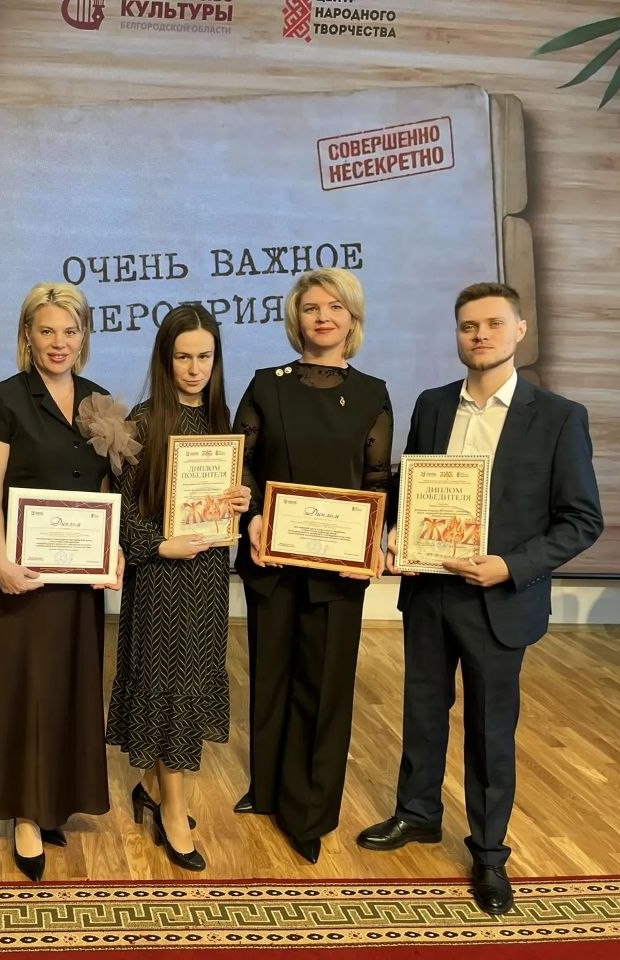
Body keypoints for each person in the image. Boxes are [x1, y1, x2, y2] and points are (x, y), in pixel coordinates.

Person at [356, 282, 603, 916]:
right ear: (458, 335)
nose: (480, 335)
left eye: (493, 324)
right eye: (469, 326)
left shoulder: (559, 417)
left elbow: (581, 520)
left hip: (500, 598)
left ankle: (490, 853)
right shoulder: (433, 404)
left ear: (520, 330)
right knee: (422, 710)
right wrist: (393, 533)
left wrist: (510, 567)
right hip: (430, 591)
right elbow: (413, 488)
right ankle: (417, 814)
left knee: (491, 729)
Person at [233, 267, 393, 864]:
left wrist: (374, 540)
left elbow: (376, 479)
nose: (323, 317)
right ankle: (268, 789)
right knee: (270, 675)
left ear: (352, 318)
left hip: (338, 567)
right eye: (310, 308)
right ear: (295, 319)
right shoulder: (265, 385)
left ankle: (309, 812)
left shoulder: (373, 394)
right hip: (271, 558)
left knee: (324, 689)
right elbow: (243, 463)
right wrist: (251, 517)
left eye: (335, 307)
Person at [0, 281, 124, 882]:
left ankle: (56, 801)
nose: (59, 342)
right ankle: (26, 815)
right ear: (27, 336)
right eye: (47, 331)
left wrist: (112, 550)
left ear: (84, 336)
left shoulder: (99, 401)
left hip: (79, 581)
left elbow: (105, 489)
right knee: (26, 690)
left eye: (70, 330)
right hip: (23, 577)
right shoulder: (3, 400)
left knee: (69, 688)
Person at [106, 304, 250, 872]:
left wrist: (240, 498)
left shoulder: (222, 423)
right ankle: (173, 813)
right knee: (168, 689)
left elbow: (224, 502)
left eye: (204, 357)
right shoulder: (142, 424)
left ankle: (149, 787)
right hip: (160, 580)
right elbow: (121, 511)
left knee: (190, 684)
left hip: (208, 577)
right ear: (165, 361)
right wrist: (159, 545)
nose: (194, 369)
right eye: (183, 357)